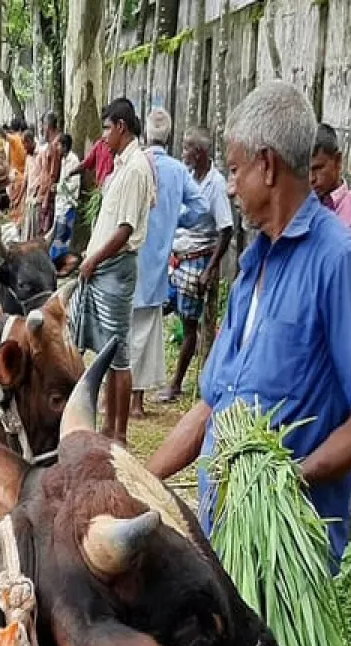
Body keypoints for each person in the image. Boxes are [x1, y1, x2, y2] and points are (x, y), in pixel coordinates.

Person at [156, 80, 351, 646]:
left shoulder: (341, 262)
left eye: (231, 168)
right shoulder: (254, 262)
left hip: (285, 550)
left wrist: (288, 482)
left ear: (266, 165)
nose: (227, 182)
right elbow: (212, 403)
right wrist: (139, 477)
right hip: (222, 540)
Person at [67, 97, 154, 448]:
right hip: (104, 267)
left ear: (121, 127)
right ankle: (109, 424)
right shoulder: (122, 164)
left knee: (118, 352)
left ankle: (119, 432)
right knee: (107, 346)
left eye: (106, 128)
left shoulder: (135, 168)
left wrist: (93, 260)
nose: (102, 136)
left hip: (114, 269)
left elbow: (124, 229)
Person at [129, 108, 207, 419]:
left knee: (123, 333)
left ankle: (120, 401)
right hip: (158, 265)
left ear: (145, 135)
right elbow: (201, 207)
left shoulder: (135, 165)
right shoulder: (178, 171)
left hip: (128, 260)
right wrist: (177, 220)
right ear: (170, 137)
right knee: (146, 336)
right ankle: (135, 402)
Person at [161, 127, 234, 403]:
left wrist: (210, 268)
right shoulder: (188, 177)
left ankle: (176, 383)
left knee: (190, 325)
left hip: (195, 261)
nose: (183, 152)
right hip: (176, 258)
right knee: (161, 309)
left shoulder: (216, 185)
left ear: (199, 153)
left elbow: (225, 230)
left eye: (187, 148)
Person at [50, 133, 80, 271]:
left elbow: (72, 184)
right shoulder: (63, 160)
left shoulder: (74, 161)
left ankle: (58, 262)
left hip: (68, 204)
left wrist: (59, 187)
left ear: (65, 146)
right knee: (57, 234)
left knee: (62, 235)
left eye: (59, 145)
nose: (57, 148)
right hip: (60, 203)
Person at [34, 112, 64, 235]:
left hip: (49, 195)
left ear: (48, 126)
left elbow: (53, 174)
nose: (42, 129)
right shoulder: (51, 145)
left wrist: (46, 197)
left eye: (43, 125)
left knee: (46, 231)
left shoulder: (55, 146)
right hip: (44, 192)